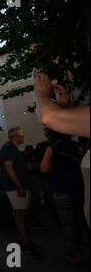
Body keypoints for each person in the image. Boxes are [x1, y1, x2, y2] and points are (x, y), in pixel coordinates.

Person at [34, 72, 90, 228]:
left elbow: (50, 118)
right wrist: (66, 105)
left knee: (73, 227)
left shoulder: (58, 146)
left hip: (73, 187)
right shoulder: (57, 146)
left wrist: (41, 94)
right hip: (68, 188)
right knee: (72, 227)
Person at [41, 128, 85, 265]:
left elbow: (44, 168)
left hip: (61, 189)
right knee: (83, 219)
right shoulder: (77, 146)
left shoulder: (52, 148)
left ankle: (72, 253)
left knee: (67, 224)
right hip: (79, 187)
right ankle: (82, 244)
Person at [0, 127, 42, 259]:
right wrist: (19, 186)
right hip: (15, 188)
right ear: (16, 135)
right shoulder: (9, 147)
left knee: (22, 215)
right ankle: (24, 243)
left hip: (19, 186)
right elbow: (8, 167)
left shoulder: (12, 148)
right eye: (22, 134)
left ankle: (23, 240)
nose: (23, 136)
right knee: (20, 215)